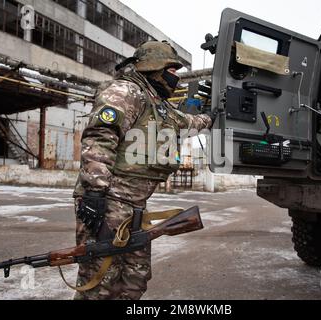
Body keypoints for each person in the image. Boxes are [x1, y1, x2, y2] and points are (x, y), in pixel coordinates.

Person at [72, 40, 215, 300]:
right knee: (101, 280)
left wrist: (211, 115)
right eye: (173, 73)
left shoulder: (159, 106)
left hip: (136, 205)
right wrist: (94, 192)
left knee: (135, 278)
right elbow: (100, 137)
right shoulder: (127, 92)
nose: (177, 80)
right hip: (109, 201)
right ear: (155, 68)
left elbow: (188, 122)